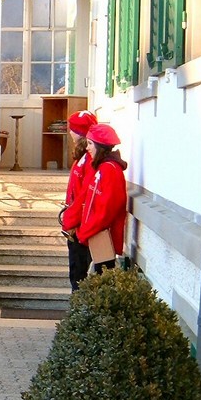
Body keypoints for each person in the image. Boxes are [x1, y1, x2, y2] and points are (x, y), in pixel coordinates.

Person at [77, 123, 129, 274]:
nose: (87, 148)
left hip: (103, 238)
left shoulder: (110, 170)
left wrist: (85, 231)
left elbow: (107, 210)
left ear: (100, 146)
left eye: (90, 143)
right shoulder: (103, 168)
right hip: (95, 236)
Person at [60, 110, 97, 290]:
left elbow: (84, 196)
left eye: (72, 129)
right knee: (76, 273)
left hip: (80, 227)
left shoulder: (89, 160)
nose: (70, 132)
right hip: (76, 223)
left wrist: (72, 222)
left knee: (78, 274)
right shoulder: (83, 157)